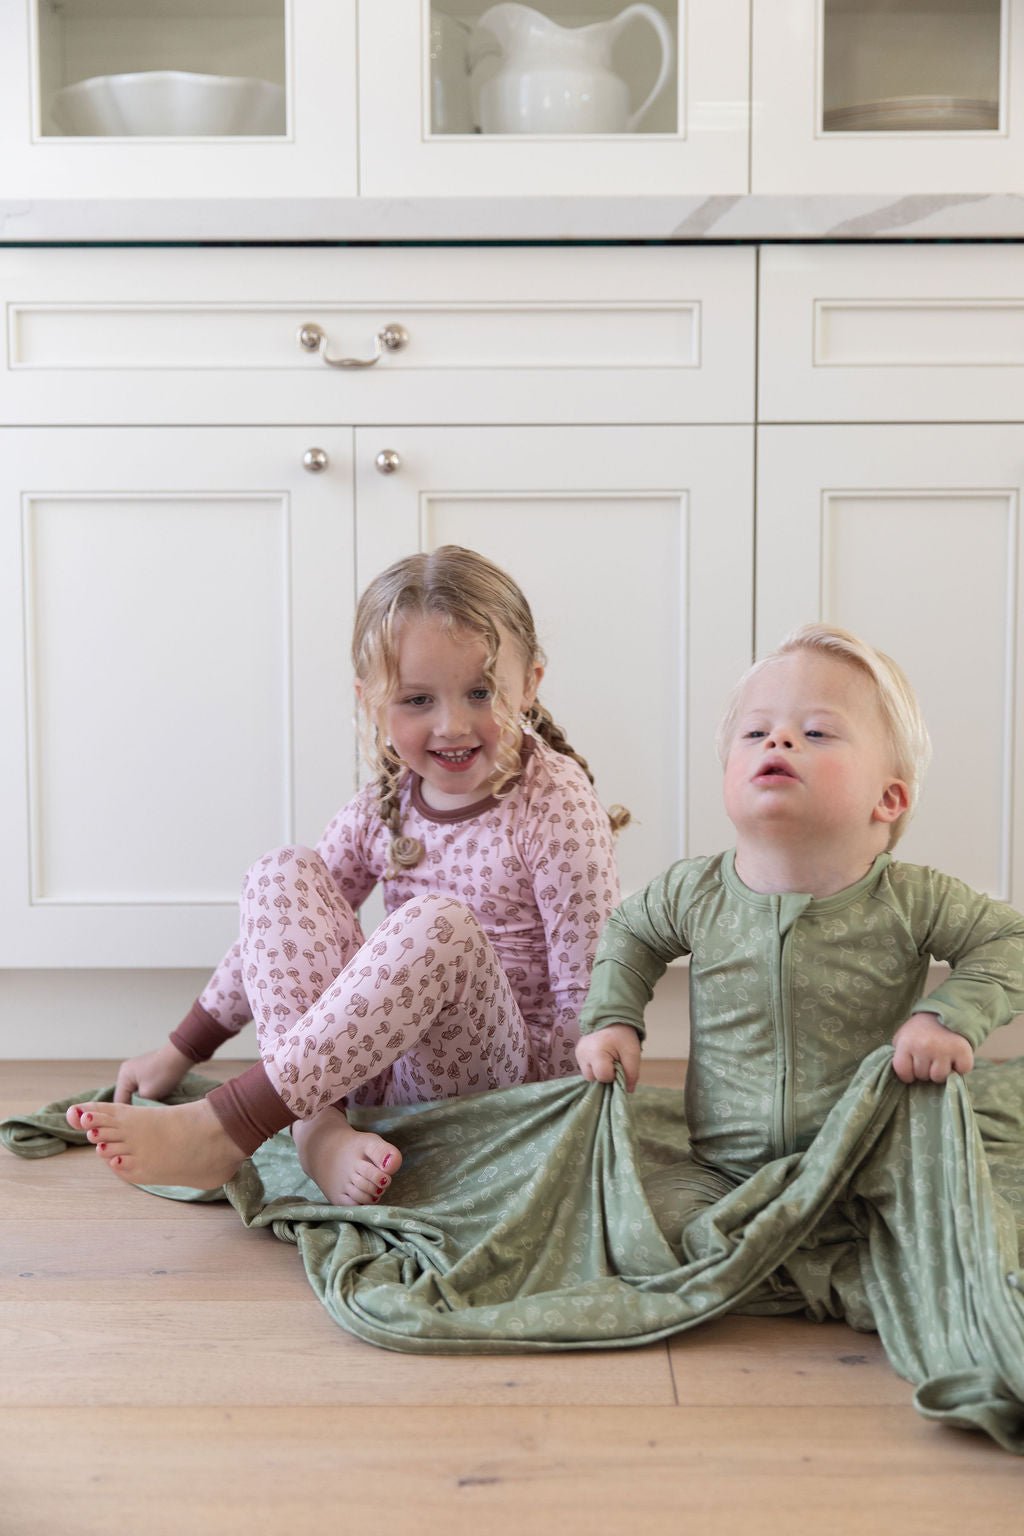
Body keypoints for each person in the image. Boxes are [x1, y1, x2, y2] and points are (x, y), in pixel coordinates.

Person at [68, 546, 627, 1204]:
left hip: (496, 1084)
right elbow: (281, 931)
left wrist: (563, 1115)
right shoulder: (383, 806)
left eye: (480, 692)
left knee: (437, 923)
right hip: (369, 1067)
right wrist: (180, 1050)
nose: (450, 724)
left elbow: (592, 985)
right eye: (417, 700)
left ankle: (236, 1121)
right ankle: (317, 1128)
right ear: (372, 704)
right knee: (281, 872)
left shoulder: (554, 803)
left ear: (529, 682)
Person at [575, 623, 1024, 1232]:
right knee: (637, 1223)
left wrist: (945, 1016)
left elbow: (1011, 941)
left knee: (957, 1228)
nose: (778, 739)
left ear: (888, 799)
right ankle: (756, 1238)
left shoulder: (913, 899)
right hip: (723, 1169)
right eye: (756, 732)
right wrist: (613, 1020)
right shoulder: (695, 892)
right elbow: (631, 932)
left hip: (871, 1168)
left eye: (815, 732)